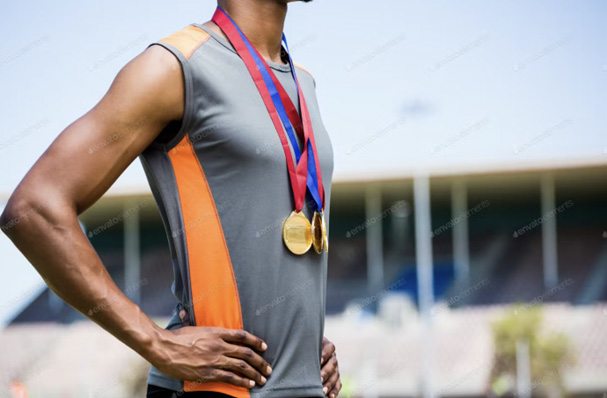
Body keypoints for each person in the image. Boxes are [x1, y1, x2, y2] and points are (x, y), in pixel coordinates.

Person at [1, 0, 342, 397]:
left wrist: (303, 341)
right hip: (213, 390)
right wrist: (155, 343)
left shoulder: (304, 83)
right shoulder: (175, 66)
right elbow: (33, 209)